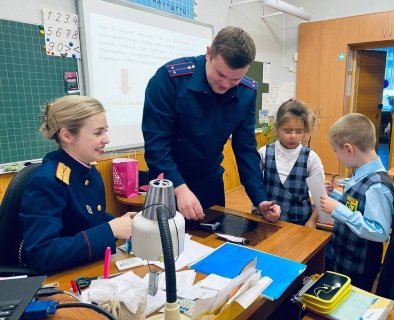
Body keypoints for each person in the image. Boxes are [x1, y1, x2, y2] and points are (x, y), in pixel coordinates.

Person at [142, 26, 280, 222]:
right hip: (168, 184)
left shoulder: (247, 92)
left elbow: (245, 149)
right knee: (166, 248)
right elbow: (156, 144)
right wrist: (179, 189)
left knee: (213, 245)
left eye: (235, 79)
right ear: (209, 53)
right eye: (220, 75)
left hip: (209, 183)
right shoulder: (170, 79)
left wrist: (260, 199)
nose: (225, 84)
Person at [20, 95, 134, 274]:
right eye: (98, 133)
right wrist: (111, 230)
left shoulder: (89, 171)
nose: (106, 139)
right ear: (66, 135)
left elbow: (87, 217)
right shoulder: (47, 181)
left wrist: (122, 223)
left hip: (86, 267)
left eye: (106, 131)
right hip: (61, 278)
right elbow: (42, 254)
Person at [320, 113, 394, 291]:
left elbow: (380, 232)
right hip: (345, 258)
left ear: (349, 149)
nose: (336, 157)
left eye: (336, 151)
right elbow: (357, 205)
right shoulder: (360, 172)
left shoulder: (377, 186)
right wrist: (337, 196)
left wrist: (338, 209)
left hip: (359, 268)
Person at [257, 99, 324, 227]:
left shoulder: (311, 158)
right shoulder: (264, 152)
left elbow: (320, 196)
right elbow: (255, 186)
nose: (293, 136)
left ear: (305, 130)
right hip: (267, 220)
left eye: (298, 131)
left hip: (299, 222)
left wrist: (312, 221)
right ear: (277, 128)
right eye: (287, 131)